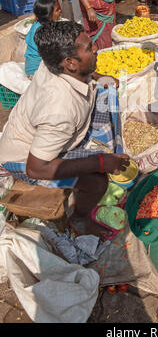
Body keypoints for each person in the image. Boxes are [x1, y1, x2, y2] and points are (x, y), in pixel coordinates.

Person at [0, 20, 130, 236]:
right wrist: (99, 163)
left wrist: (97, 76)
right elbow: (36, 168)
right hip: (26, 159)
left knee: (106, 98)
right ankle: (79, 219)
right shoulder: (59, 108)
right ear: (69, 63)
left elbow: (85, 76)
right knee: (97, 181)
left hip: (46, 136)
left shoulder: (54, 61)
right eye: (89, 48)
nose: (96, 48)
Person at [25, 0, 61, 77]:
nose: (60, 11)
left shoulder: (37, 24)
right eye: (57, 10)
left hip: (31, 67)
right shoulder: (44, 32)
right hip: (36, 72)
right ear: (48, 16)